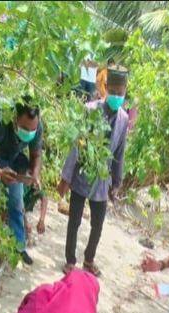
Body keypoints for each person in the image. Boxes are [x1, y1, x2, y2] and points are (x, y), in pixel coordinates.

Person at [58, 66, 130, 277]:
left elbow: (120, 151)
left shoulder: (124, 119)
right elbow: (76, 146)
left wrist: (116, 182)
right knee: (75, 220)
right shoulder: (90, 110)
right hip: (82, 174)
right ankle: (70, 260)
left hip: (102, 179)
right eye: (113, 91)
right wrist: (66, 177)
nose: (117, 96)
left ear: (126, 91)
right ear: (105, 88)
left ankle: (89, 259)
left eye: (121, 92)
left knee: (97, 224)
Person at [0, 96, 43, 266]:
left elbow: (36, 155)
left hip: (13, 157)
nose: (29, 132)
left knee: (16, 202)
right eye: (24, 128)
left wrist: (35, 175)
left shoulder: (36, 125)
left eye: (32, 129)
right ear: (14, 119)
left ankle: (18, 248)